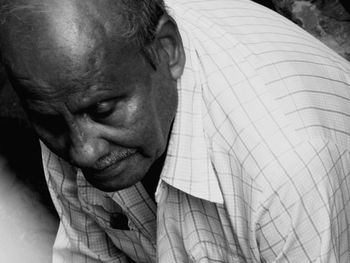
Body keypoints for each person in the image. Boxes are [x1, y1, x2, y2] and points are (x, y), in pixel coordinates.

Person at [0, 0, 349, 262]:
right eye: (49, 121)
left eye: (102, 110)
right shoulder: (66, 94)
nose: (83, 153)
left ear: (167, 51)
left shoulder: (283, 170)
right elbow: (88, 253)